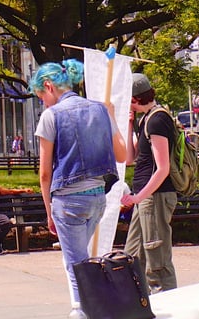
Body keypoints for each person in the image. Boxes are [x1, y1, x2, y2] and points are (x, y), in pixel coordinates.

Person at [30, 60, 126, 319]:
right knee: (80, 259)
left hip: (68, 200)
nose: (44, 103)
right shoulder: (99, 110)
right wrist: (112, 117)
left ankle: (82, 312)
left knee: (75, 264)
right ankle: (90, 307)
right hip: (97, 197)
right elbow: (123, 154)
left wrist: (49, 212)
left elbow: (45, 173)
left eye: (42, 97)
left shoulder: (51, 116)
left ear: (48, 86)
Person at [121, 73, 178, 293]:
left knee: (157, 260)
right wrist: (129, 125)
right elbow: (129, 158)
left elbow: (162, 168)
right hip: (145, 198)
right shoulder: (145, 119)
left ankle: (169, 305)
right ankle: (139, 305)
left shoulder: (157, 120)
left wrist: (138, 196)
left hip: (155, 197)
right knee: (133, 256)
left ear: (135, 99)